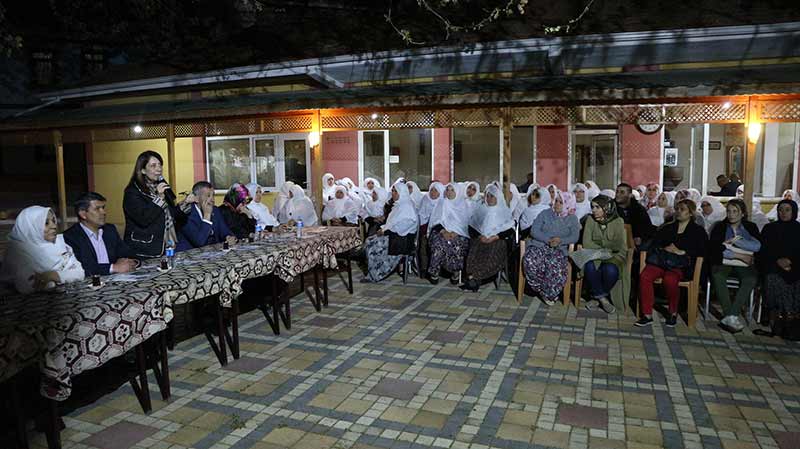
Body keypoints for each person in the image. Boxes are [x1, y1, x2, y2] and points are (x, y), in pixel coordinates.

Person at [636, 199, 708, 327]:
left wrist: (682, 252)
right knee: (645, 276)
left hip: (680, 264)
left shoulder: (697, 231)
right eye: (677, 209)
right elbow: (655, 243)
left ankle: (672, 312)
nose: (679, 212)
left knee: (670, 280)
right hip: (662, 260)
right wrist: (665, 248)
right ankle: (647, 314)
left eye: (683, 210)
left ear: (690, 213)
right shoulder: (668, 227)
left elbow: (701, 250)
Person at [0, 206, 84, 294]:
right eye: (46, 223)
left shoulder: (60, 244)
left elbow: (80, 273)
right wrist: (65, 275)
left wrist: (53, 275)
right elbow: (30, 286)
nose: (54, 226)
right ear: (31, 226)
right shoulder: (17, 250)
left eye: (54, 221)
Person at [707, 198, 761, 332]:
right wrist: (739, 255)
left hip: (745, 264)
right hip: (725, 261)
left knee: (750, 279)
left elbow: (758, 247)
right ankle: (730, 316)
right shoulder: (720, 226)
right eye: (729, 211)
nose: (731, 214)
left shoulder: (751, 227)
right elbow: (714, 248)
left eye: (735, 211)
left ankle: (731, 315)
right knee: (718, 275)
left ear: (742, 213)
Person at [523, 190, 581, 305]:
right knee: (530, 260)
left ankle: (549, 293)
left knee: (555, 266)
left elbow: (575, 237)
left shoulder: (572, 218)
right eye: (556, 201)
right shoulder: (545, 213)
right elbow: (534, 230)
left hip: (559, 249)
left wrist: (560, 241)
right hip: (539, 245)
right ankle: (542, 289)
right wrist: (548, 240)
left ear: (568, 204)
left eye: (561, 202)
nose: (557, 204)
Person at [122, 150, 183, 258]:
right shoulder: (132, 192)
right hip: (144, 249)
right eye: (153, 166)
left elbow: (171, 215)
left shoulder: (161, 188)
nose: (159, 169)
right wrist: (159, 198)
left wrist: (185, 203)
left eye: (160, 165)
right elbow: (143, 219)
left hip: (166, 245)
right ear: (143, 170)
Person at [64, 192, 137, 276]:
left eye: (103, 207)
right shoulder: (70, 237)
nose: (103, 212)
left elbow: (127, 253)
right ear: (83, 214)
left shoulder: (110, 230)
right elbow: (80, 269)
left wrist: (125, 261)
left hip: (117, 280)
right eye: (97, 208)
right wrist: (114, 267)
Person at [461, 184, 515, 292]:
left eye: (492, 196)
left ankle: (475, 278)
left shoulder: (504, 210)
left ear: (498, 198)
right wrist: (480, 236)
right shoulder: (482, 209)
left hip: (497, 240)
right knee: (475, 248)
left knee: (492, 251)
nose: (489, 199)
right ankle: (472, 276)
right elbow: (472, 227)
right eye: (488, 196)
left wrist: (495, 236)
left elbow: (510, 230)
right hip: (481, 238)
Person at [759, 200, 800, 339]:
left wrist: (791, 262)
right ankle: (786, 316)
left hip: (795, 267)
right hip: (773, 266)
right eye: (781, 209)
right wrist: (778, 261)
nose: (783, 213)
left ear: (793, 211)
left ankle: (789, 316)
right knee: (773, 278)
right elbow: (763, 251)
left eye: (787, 209)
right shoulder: (769, 228)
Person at [580, 195, 628, 314]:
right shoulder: (590, 220)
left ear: (607, 208)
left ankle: (596, 297)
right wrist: (606, 246)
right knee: (589, 266)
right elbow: (586, 243)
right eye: (592, 207)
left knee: (611, 270)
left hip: (613, 256)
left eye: (597, 207)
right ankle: (602, 299)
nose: (594, 210)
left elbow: (617, 244)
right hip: (594, 254)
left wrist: (599, 243)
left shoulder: (618, 221)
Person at [364, 181, 418, 282]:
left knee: (373, 244)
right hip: (396, 236)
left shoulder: (407, 206)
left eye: (395, 191)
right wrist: (383, 229)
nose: (392, 193)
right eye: (392, 190)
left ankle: (376, 274)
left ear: (402, 193)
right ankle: (373, 272)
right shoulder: (398, 205)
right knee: (370, 240)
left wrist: (385, 231)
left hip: (403, 240)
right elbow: (392, 223)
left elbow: (403, 227)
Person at [427, 183, 471, 284]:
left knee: (457, 245)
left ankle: (455, 272)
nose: (449, 192)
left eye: (452, 190)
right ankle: (435, 272)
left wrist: (456, 232)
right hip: (441, 231)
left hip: (459, 233)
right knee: (439, 244)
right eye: (447, 190)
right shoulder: (441, 203)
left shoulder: (463, 205)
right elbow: (435, 221)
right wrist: (444, 232)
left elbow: (465, 223)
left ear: (457, 192)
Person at [176, 181, 237, 251]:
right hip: (190, 256)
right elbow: (199, 242)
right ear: (196, 198)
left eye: (213, 195)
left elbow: (225, 231)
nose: (212, 200)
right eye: (208, 196)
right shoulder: (186, 214)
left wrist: (229, 237)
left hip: (213, 254)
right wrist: (207, 216)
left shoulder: (215, 210)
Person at [418, 182, 445, 274]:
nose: (432, 192)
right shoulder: (425, 199)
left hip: (438, 230)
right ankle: (424, 268)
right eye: (431, 190)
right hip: (424, 228)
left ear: (440, 192)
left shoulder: (443, 203)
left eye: (436, 190)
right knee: (423, 245)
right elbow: (421, 216)